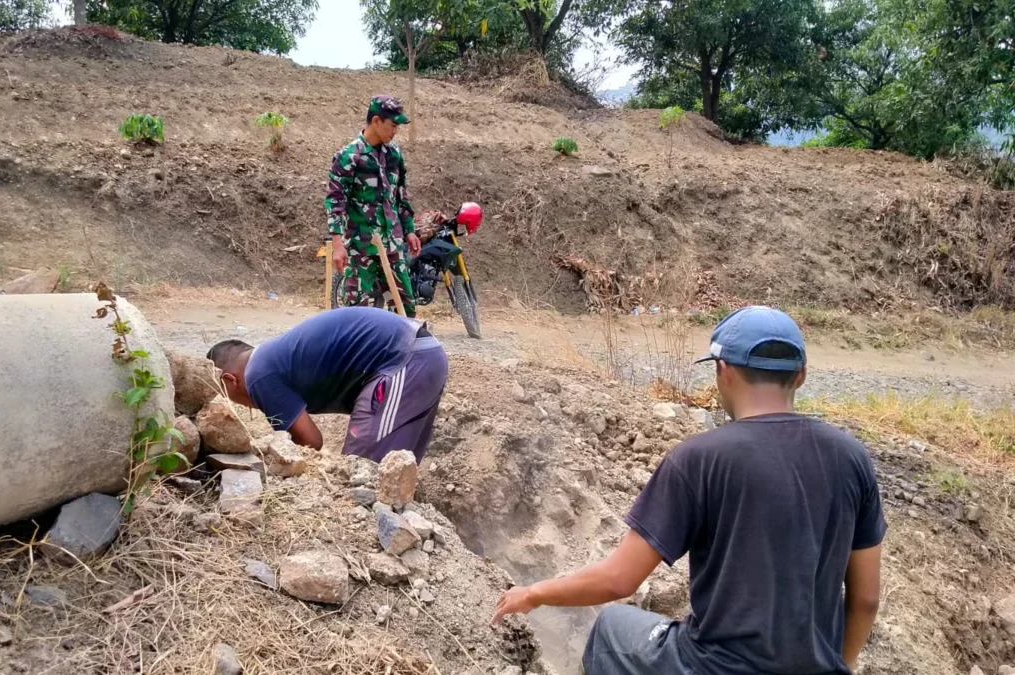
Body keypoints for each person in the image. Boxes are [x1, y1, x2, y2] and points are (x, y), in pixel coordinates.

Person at [492, 306, 886, 675]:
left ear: (723, 370)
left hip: (714, 666)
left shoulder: (699, 459)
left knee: (613, 627)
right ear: (800, 375)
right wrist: (839, 665)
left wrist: (534, 593)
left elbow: (619, 580)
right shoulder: (851, 457)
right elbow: (866, 599)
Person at [205, 307, 447, 463]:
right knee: (396, 468)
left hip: (403, 360)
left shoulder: (258, 377)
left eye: (223, 395)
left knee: (362, 472)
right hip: (421, 354)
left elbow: (310, 441)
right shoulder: (271, 358)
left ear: (230, 379)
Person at [325, 95, 422, 317]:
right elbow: (335, 201)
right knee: (359, 314)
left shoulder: (394, 154)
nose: (395, 131)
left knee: (405, 310)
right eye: (393, 125)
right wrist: (337, 244)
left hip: (392, 246)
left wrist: (409, 230)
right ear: (376, 121)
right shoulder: (349, 157)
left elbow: (400, 194)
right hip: (361, 248)